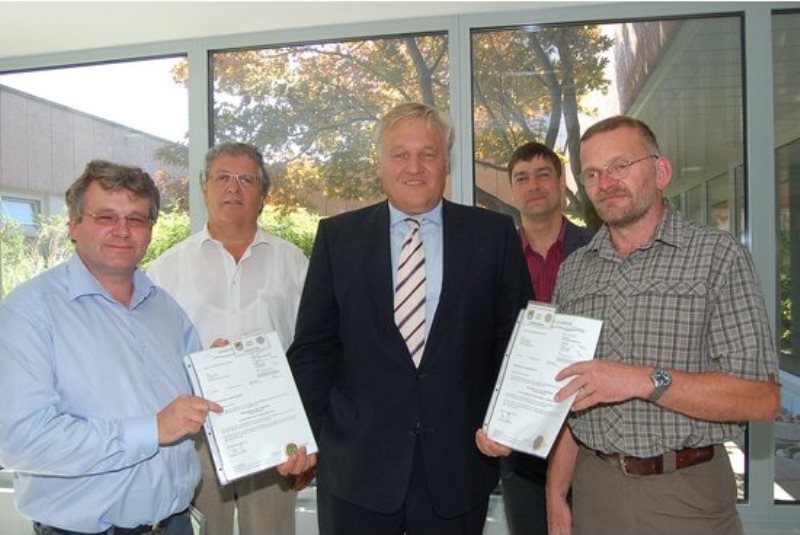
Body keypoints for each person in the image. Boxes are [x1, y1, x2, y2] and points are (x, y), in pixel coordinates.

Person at [283, 102, 531, 535]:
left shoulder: (493, 236)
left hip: (458, 468)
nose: (414, 167)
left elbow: (516, 345)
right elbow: (314, 351)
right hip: (356, 469)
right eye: (400, 154)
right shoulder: (337, 239)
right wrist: (297, 434)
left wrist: (512, 424)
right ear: (381, 165)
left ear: (446, 163)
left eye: (428, 154)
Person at [543, 115, 780, 535]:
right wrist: (555, 495)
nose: (606, 182)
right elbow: (569, 396)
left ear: (661, 171)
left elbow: (760, 399)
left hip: (686, 493)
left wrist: (643, 380)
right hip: (594, 488)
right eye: (593, 174)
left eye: (620, 166)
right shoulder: (574, 271)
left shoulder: (718, 257)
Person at [0, 160, 222, 535]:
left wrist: (222, 374)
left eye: (137, 219)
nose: (122, 231)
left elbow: (188, 411)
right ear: (73, 225)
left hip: (176, 525)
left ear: (150, 230)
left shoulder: (166, 310)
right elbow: (21, 440)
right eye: (106, 217)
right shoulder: (28, 313)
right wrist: (150, 429)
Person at [148, 142, 310, 535]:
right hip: (195, 434)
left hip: (272, 429)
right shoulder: (165, 269)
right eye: (222, 177)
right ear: (205, 187)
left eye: (246, 179)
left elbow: (313, 351)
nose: (233, 188)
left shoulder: (297, 265)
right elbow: (150, 358)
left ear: (263, 195)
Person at [500, 141, 592, 535]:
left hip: (587, 423)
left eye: (543, 174)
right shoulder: (494, 254)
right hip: (520, 426)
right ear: (512, 189)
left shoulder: (598, 248)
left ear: (560, 182)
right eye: (522, 177)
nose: (533, 185)